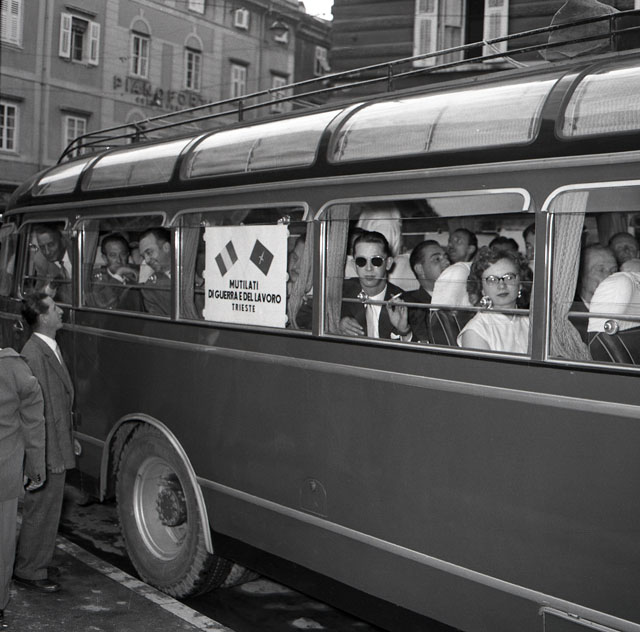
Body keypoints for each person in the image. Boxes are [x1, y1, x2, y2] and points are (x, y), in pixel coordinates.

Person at [14, 293, 75, 594]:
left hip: (55, 444)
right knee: (41, 509)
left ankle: (37, 562)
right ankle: (29, 570)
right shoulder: (34, 354)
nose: (61, 311)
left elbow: (59, 403)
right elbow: (35, 413)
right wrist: (46, 455)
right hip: (47, 449)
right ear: (42, 317)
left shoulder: (48, 347)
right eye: (54, 308)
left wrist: (68, 441)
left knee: (49, 509)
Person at [0, 346, 46, 626]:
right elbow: (33, 422)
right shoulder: (13, 367)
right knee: (2, 542)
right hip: (4, 472)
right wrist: (35, 467)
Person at [457, 247, 532, 353]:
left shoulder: (530, 322)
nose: (502, 285)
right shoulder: (475, 332)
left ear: (520, 284)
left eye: (509, 277)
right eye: (492, 280)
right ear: (482, 289)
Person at [339, 231, 411, 340]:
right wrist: (336, 323)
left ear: (388, 263)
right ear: (354, 265)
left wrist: (404, 331)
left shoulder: (405, 303)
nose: (368, 268)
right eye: (361, 261)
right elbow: (312, 317)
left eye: (376, 261)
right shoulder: (339, 292)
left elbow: (422, 343)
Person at [402, 240, 449, 342]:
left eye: (446, 257)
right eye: (437, 259)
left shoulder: (462, 297)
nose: (447, 263)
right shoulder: (409, 305)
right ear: (420, 269)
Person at [570, 245, 617, 343]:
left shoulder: (621, 309)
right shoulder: (570, 318)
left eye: (614, 270)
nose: (609, 276)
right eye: (601, 270)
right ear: (581, 275)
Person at [89, 233, 141, 311]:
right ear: (105, 258)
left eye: (123, 254)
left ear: (128, 255)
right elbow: (104, 305)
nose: (119, 260)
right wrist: (118, 276)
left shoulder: (137, 272)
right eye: (113, 255)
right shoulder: (96, 278)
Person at [431, 228, 477, 307]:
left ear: (470, 249)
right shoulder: (447, 271)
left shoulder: (475, 274)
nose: (450, 245)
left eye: (458, 241)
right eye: (449, 241)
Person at [33, 225, 72, 304]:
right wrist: (51, 286)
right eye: (42, 247)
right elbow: (38, 296)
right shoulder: (41, 260)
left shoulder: (80, 251)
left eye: (51, 245)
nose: (47, 252)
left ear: (62, 241)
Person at [138, 228, 172, 316]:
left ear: (166, 247)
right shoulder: (150, 288)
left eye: (149, 253)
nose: (146, 260)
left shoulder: (199, 266)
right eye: (143, 256)